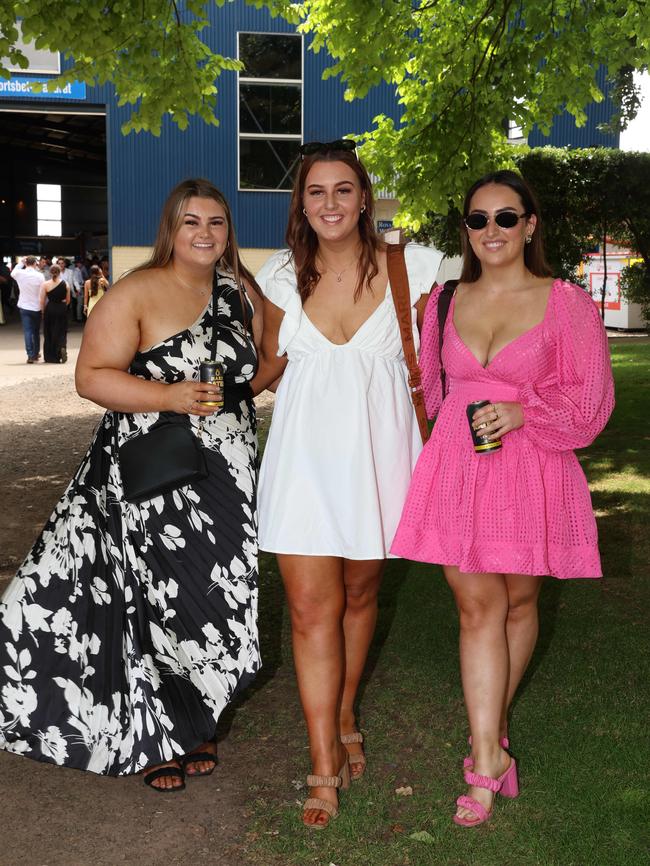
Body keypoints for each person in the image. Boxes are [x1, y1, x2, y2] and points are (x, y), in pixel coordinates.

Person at [0, 178, 262, 793]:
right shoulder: (137, 290)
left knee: (213, 600)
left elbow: (274, 356)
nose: (205, 233)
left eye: (217, 222)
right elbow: (91, 377)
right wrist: (168, 395)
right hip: (154, 475)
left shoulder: (240, 289)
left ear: (229, 231)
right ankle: (156, 732)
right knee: (154, 601)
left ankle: (199, 721)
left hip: (227, 476)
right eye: (192, 221)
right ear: (170, 228)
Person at [391, 170, 615, 827]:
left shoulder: (563, 302)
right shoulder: (444, 301)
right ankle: (486, 757)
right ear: (465, 229)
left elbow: (591, 399)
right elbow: (434, 392)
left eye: (506, 218)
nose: (492, 230)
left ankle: (493, 728)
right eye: (479, 219)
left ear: (531, 224)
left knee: (519, 602)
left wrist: (524, 414)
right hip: (462, 468)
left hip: (533, 465)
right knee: (477, 605)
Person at [251, 140, 442, 828]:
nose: (329, 203)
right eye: (315, 192)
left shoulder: (415, 268)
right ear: (300, 205)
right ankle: (322, 762)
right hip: (303, 461)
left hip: (381, 458)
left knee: (362, 593)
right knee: (308, 611)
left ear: (364, 197)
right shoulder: (277, 275)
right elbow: (263, 367)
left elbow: (457, 351)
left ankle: (346, 708)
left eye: (342, 190)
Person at [11, 255, 45, 363]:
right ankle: (35, 354)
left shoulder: (20, 273)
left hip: (24, 307)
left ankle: (30, 355)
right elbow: (43, 292)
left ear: (26, 263)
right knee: (36, 331)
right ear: (35, 264)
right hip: (37, 307)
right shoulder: (40, 276)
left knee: (27, 331)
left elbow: (12, 272)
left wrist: (21, 263)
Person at [41, 263, 71, 363]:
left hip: (50, 309)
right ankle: (61, 347)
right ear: (59, 273)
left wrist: (42, 312)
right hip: (61, 309)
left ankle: (51, 356)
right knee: (62, 331)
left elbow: (42, 300)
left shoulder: (45, 284)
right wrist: (63, 305)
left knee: (49, 331)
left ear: (50, 272)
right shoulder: (66, 284)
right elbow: (68, 300)